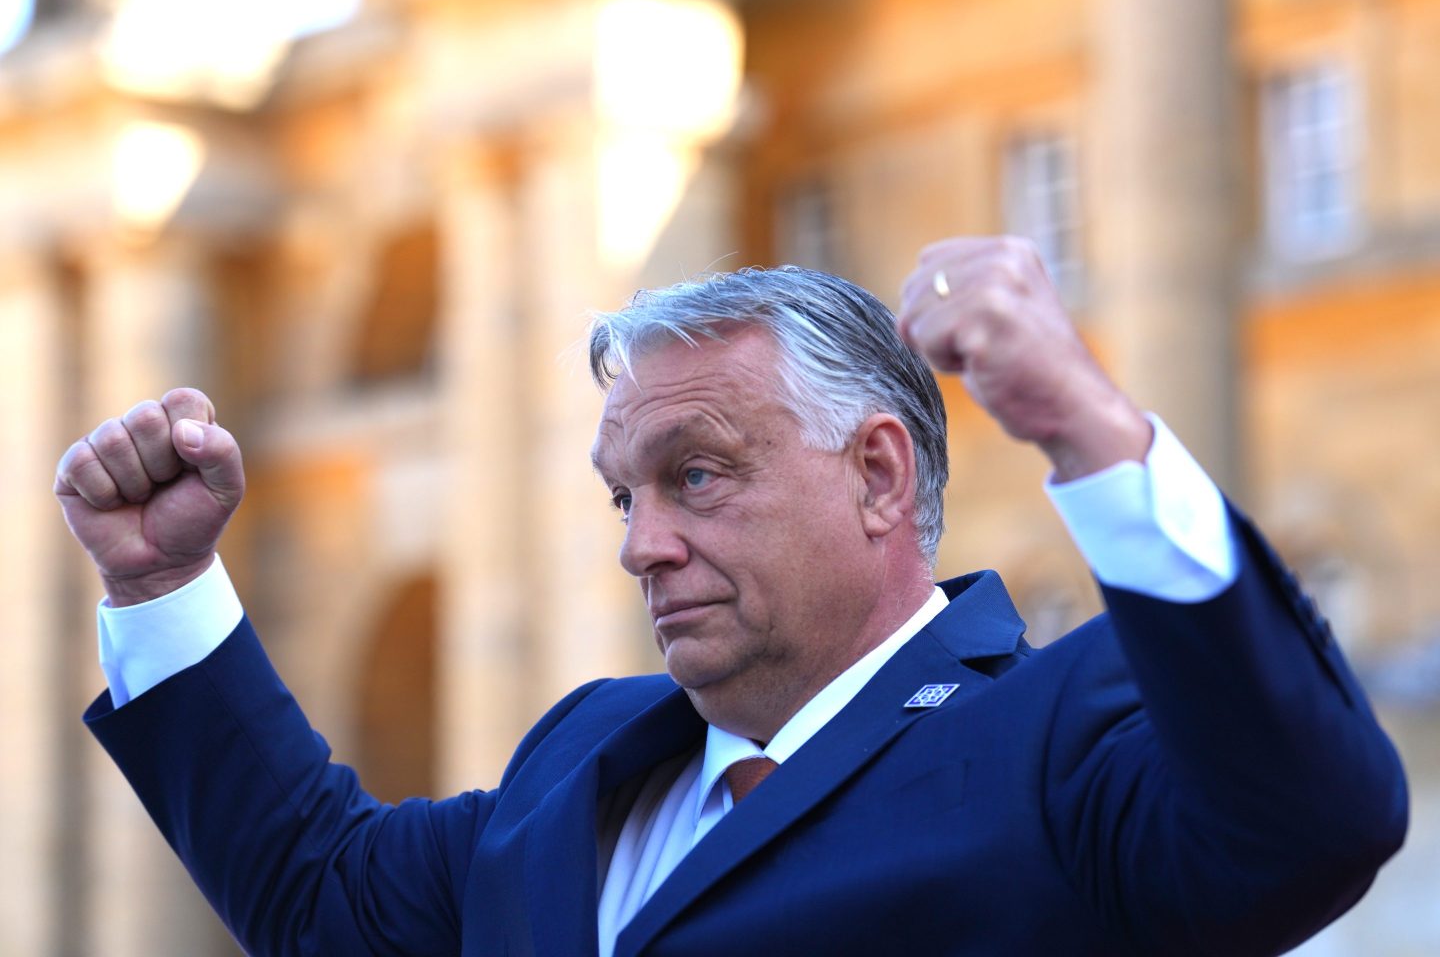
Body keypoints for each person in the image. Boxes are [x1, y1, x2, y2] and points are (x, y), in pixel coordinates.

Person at [56, 236, 1406, 956]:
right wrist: (164, 581)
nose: (643, 544)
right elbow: (317, 893)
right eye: (621, 495)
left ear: (879, 474)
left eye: (695, 477)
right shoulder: (579, 758)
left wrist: (1088, 429)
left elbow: (1317, 817)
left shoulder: (1061, 734)